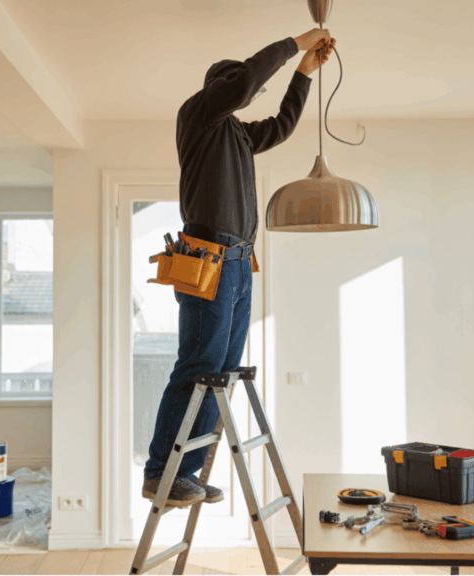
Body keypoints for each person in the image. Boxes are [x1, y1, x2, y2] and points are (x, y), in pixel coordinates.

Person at [142, 29, 337, 507]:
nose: (247, 95)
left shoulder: (238, 134)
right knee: (198, 365)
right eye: (239, 88)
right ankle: (161, 472)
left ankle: (186, 470)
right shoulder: (198, 114)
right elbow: (246, 82)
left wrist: (303, 73)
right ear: (221, 88)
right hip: (208, 259)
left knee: (221, 374)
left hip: (238, 263)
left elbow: (283, 125)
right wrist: (295, 43)